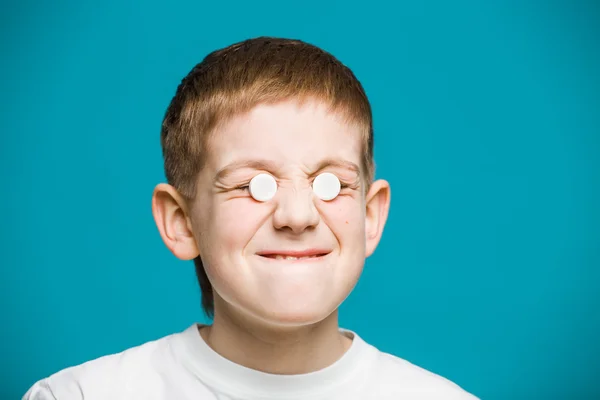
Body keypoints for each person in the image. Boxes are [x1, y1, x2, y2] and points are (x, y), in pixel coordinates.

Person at [23, 37, 479, 400]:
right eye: (253, 186)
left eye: (331, 185)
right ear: (181, 222)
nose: (297, 216)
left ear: (370, 216)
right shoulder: (81, 395)